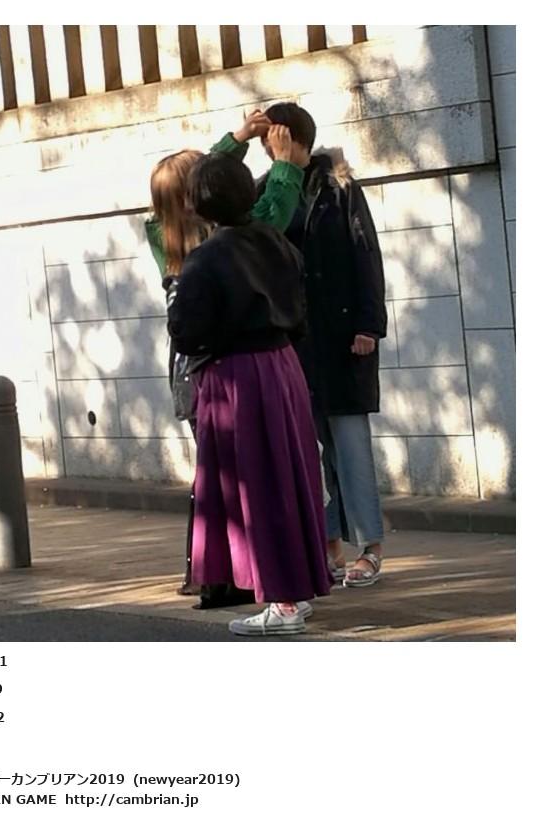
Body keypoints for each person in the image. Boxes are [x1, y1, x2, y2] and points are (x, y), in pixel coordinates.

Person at [167, 153, 332, 636]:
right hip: (283, 365)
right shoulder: (276, 242)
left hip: (236, 376)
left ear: (198, 203)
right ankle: (296, 588)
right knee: (290, 476)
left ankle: (283, 602)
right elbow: (300, 308)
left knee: (256, 484)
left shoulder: (204, 259)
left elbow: (187, 333)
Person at [146, 113, 306, 608]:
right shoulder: (252, 237)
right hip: (256, 364)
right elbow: (272, 207)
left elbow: (185, 330)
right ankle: (270, 576)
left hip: (201, 368)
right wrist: (283, 165)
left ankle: (219, 572)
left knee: (220, 474)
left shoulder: (166, 237)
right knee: (266, 472)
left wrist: (234, 142)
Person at [259, 102, 388, 587]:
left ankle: (370, 546)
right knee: (310, 451)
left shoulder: (339, 186)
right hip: (294, 342)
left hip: (344, 336)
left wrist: (369, 326)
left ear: (295, 139)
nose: (270, 149)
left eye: (275, 139)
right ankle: (328, 543)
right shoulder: (268, 191)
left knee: (351, 446)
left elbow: (365, 254)